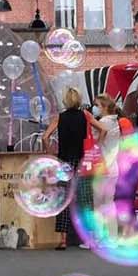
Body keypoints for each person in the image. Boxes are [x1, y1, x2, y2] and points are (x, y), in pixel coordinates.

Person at [53, 87, 96, 249]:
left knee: (63, 200)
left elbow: (45, 137)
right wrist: (96, 145)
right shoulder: (85, 116)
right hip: (81, 161)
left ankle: (63, 240)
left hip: (64, 162)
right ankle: (89, 238)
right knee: (85, 200)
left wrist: (51, 152)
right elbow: (103, 129)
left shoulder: (60, 117)